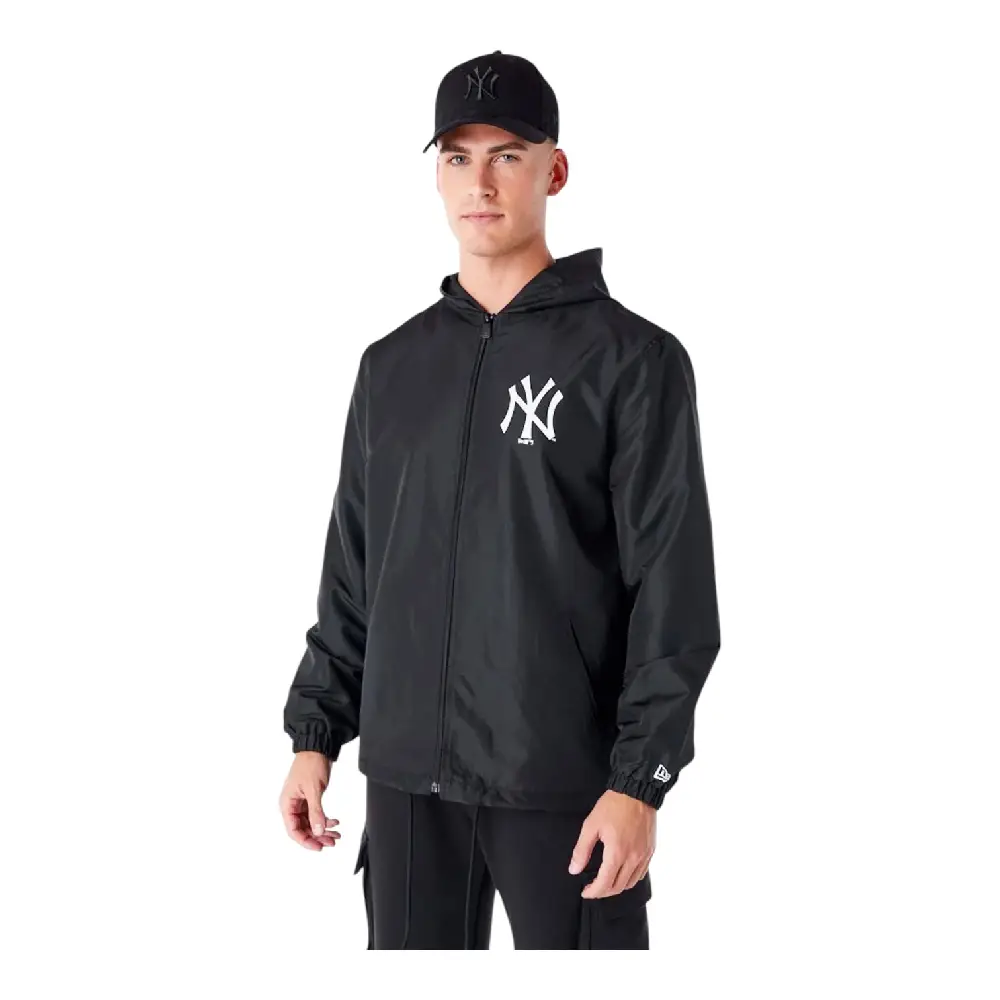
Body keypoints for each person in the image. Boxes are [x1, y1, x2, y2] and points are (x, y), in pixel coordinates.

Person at [277, 49, 721, 950]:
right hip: (406, 781)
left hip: (565, 783)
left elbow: (673, 595)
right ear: (437, 175)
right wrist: (315, 734)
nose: (480, 183)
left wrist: (639, 783)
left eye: (507, 155)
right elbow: (355, 571)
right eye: (458, 157)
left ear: (554, 170)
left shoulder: (632, 362)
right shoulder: (392, 367)